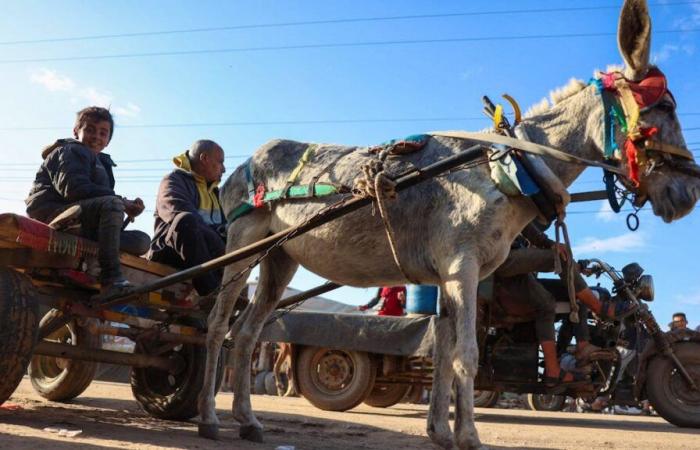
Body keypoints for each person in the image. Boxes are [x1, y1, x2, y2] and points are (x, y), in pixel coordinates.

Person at [25, 106, 150, 297]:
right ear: (76, 131)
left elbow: (102, 200)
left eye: (103, 133)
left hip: (83, 218)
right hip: (55, 211)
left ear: (108, 140)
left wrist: (126, 209)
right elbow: (74, 189)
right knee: (112, 204)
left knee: (142, 241)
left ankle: (79, 232)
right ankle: (111, 278)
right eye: (90, 130)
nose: (96, 136)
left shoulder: (103, 163)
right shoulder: (69, 150)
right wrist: (120, 202)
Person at [495, 223, 635, 386]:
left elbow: (530, 230)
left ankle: (582, 345)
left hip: (518, 271)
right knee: (551, 286)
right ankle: (599, 308)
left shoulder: (522, 210)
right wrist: (551, 247)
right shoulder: (510, 201)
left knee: (574, 291)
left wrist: (567, 259)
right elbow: (530, 231)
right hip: (502, 262)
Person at [147, 140, 226, 296]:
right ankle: (212, 296)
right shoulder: (173, 180)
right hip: (170, 251)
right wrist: (219, 244)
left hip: (209, 255)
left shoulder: (219, 195)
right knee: (186, 220)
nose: (224, 169)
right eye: (221, 162)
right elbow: (180, 215)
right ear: (204, 159)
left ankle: (229, 296)